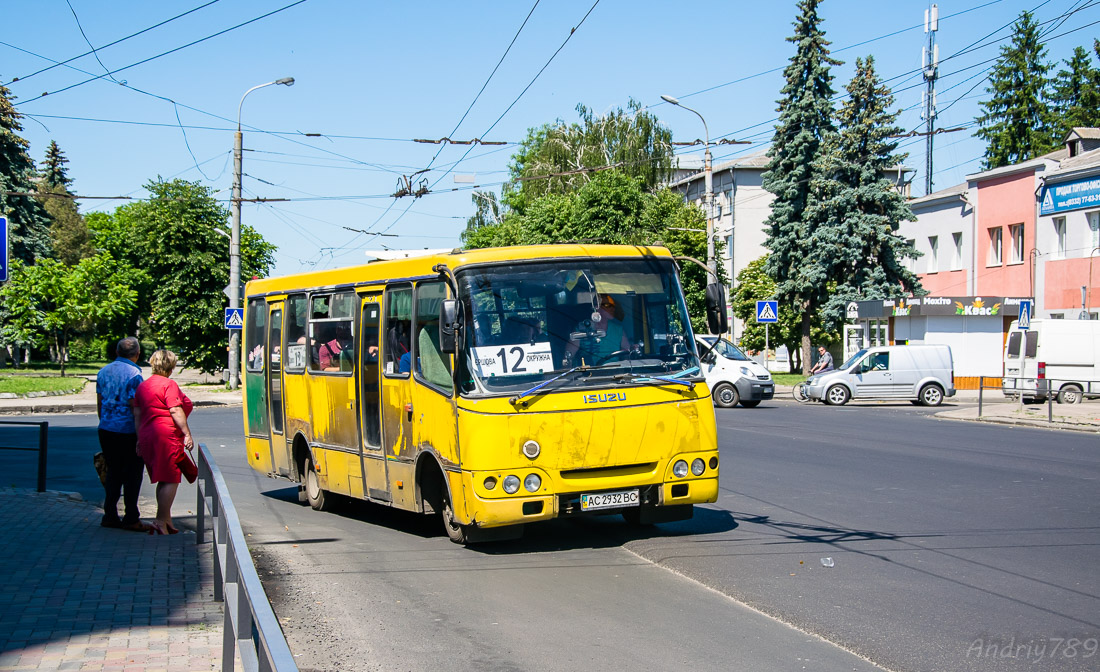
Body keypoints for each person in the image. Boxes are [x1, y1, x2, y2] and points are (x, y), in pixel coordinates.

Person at [133, 349, 195, 535]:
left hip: (147, 434)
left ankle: (166, 520)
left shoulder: (143, 386)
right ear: (171, 366)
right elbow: (175, 410)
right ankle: (160, 521)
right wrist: (187, 433)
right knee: (171, 478)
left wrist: (138, 438)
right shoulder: (169, 384)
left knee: (163, 476)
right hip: (165, 435)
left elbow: (137, 414)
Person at [95, 337, 146, 531]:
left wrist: (104, 421)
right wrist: (140, 435)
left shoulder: (103, 371)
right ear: (137, 354)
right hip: (128, 430)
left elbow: (100, 402)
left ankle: (109, 515)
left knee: (113, 471)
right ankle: (131, 517)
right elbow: (136, 407)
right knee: (133, 474)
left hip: (107, 428)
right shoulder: (135, 375)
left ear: (116, 352)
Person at [563, 294, 630, 366]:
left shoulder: (618, 330)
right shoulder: (581, 330)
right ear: (596, 308)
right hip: (589, 375)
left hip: (616, 373)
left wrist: (632, 350)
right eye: (608, 305)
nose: (612, 308)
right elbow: (567, 358)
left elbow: (627, 355)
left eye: (613, 305)